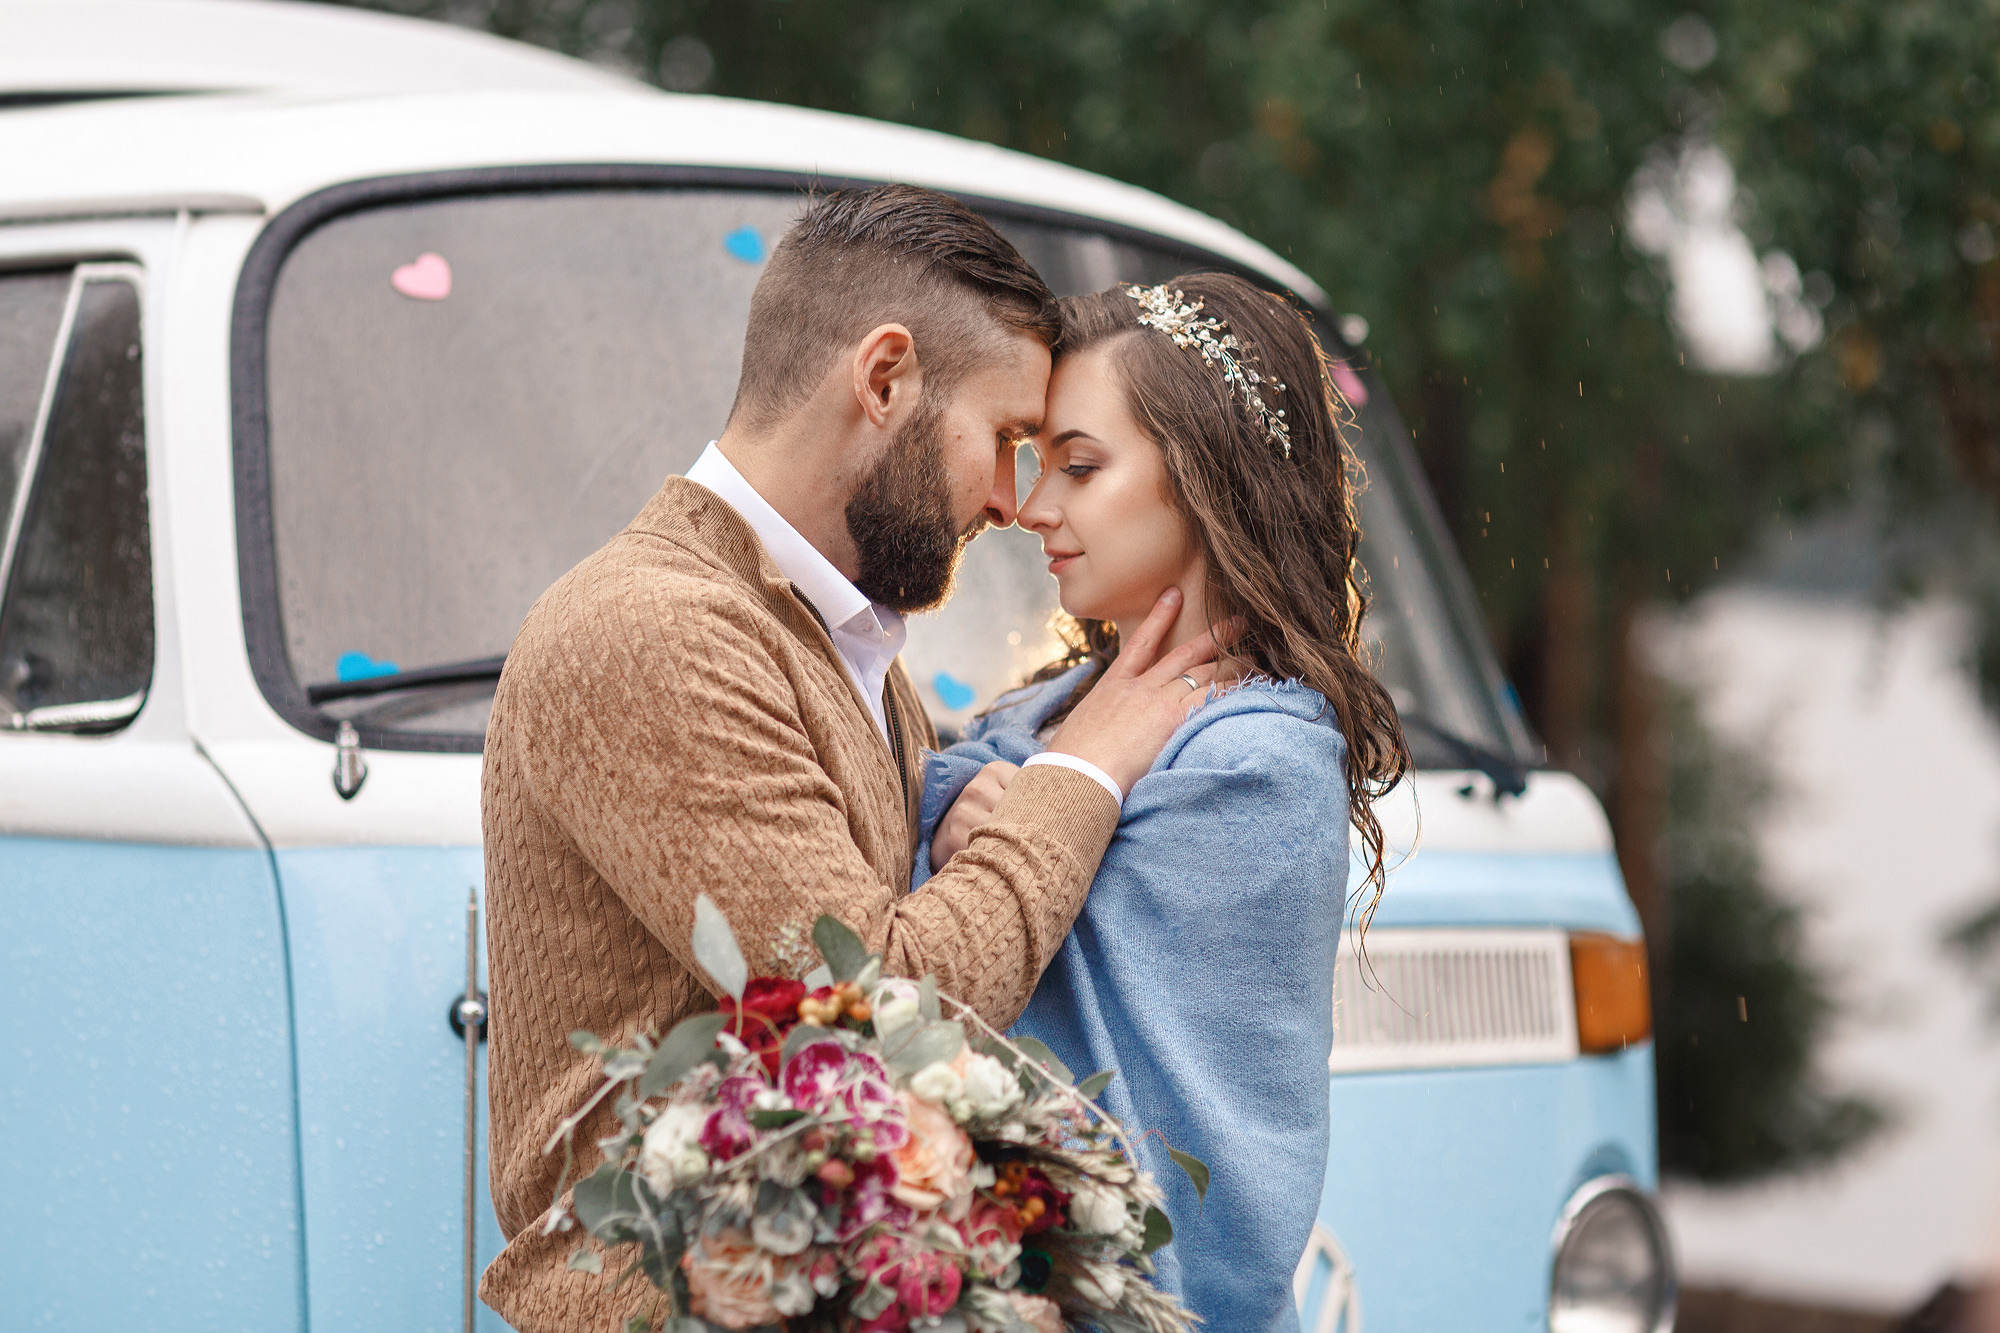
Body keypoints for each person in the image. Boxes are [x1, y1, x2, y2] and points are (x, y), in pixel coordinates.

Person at [478, 186, 1228, 1332]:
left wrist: (958, 801)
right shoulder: (652, 629)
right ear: (883, 380)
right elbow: (873, 1007)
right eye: (1006, 441)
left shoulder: (834, 639)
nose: (1009, 502)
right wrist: (1083, 770)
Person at [917, 273, 1411, 1332]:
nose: (1033, 506)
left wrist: (1009, 813)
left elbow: (1010, 984)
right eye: (1038, 464)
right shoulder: (1049, 704)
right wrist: (967, 799)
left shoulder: (1262, 761)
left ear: (1204, 477)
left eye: (1080, 467)